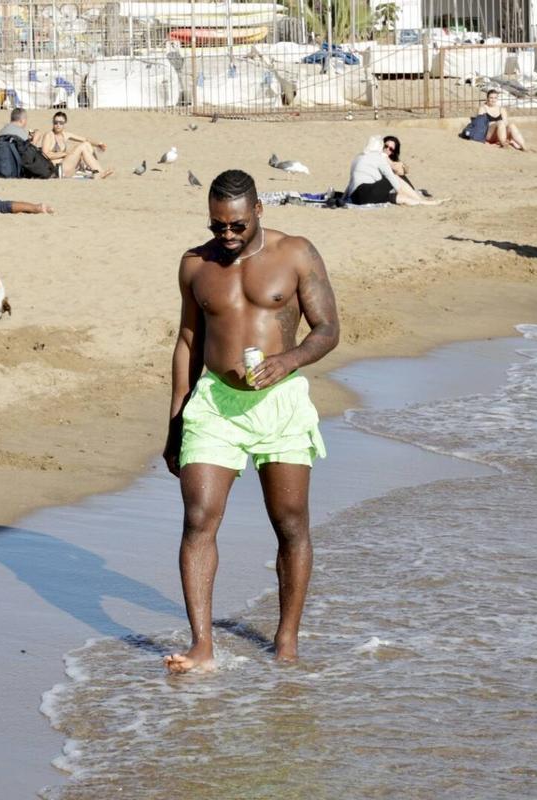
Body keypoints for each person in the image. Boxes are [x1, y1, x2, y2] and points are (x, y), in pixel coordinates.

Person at [161, 169, 340, 674]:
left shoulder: (297, 254)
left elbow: (328, 329)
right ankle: (201, 647)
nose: (227, 236)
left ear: (259, 210)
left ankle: (286, 642)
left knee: (289, 523)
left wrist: (290, 359)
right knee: (198, 517)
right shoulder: (195, 265)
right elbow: (188, 342)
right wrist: (175, 421)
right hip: (215, 403)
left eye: (236, 225)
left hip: (280, 403)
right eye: (218, 225)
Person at [345, 136, 442, 206]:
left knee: (395, 197)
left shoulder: (359, 157)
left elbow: (352, 180)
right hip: (368, 191)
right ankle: (421, 200)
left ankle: (422, 202)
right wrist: (400, 190)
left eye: (391, 149)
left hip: (356, 197)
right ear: (381, 146)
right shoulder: (380, 158)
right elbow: (391, 177)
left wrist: (345, 197)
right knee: (393, 178)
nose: (387, 149)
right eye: (385, 146)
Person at [33, 111, 113, 179]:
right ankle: (98, 172)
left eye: (61, 123)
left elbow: (85, 139)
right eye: (55, 122)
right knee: (81, 147)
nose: (58, 125)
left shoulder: (65, 135)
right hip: (56, 169)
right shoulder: (49, 135)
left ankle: (95, 170)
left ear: (64, 124)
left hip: (66, 166)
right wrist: (64, 154)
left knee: (86, 144)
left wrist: (98, 144)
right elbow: (45, 155)